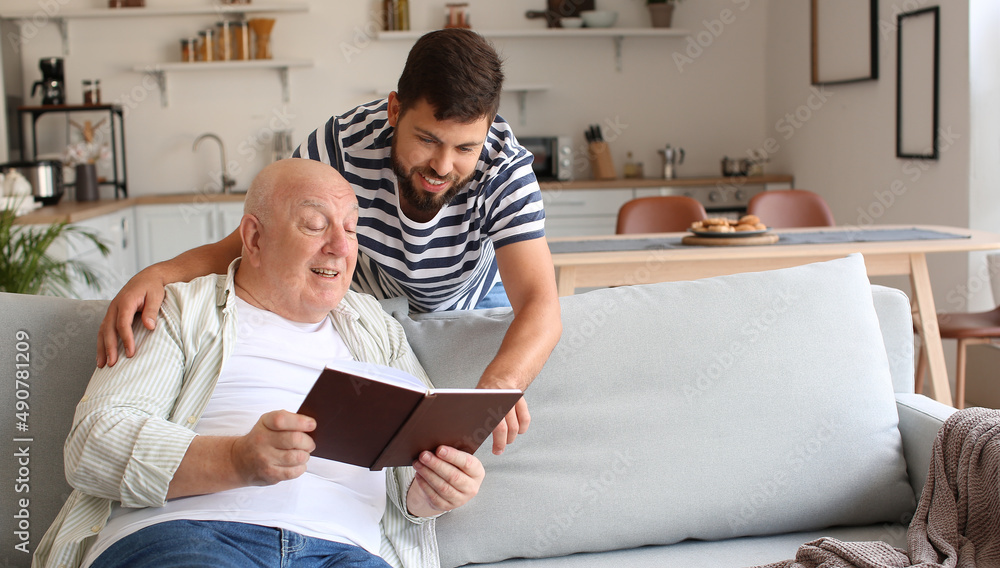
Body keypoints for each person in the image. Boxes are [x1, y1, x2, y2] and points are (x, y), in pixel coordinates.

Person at [95, 28, 562, 456]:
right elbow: (257, 241)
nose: (442, 166)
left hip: (467, 295)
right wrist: (158, 274)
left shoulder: (506, 168)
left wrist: (503, 382)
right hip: (375, 305)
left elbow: (541, 301)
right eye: (427, 139)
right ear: (394, 110)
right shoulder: (339, 144)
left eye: (465, 148)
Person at [34, 159, 485, 568]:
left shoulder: (378, 332)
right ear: (254, 238)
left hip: (347, 552)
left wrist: (429, 493)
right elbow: (93, 443)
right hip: (192, 535)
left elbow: (416, 455)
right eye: (314, 225)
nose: (340, 247)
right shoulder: (177, 309)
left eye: (351, 229)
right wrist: (236, 459)